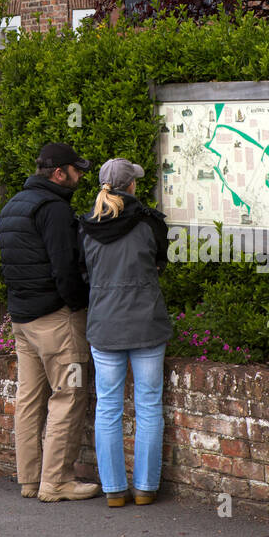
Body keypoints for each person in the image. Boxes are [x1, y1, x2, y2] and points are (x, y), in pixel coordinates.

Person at [0, 142, 100, 502]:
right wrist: (79, 304)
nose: (80, 176)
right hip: (56, 320)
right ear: (59, 173)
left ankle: (29, 480)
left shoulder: (14, 205)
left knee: (29, 400)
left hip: (22, 319)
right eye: (76, 170)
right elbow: (65, 269)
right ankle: (56, 482)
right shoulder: (54, 210)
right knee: (68, 395)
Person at [78, 159, 172, 508]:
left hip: (105, 325)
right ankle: (146, 488)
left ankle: (114, 490)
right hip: (146, 322)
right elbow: (160, 262)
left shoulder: (86, 228)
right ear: (131, 186)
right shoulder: (149, 223)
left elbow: (82, 273)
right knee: (149, 406)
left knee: (107, 408)